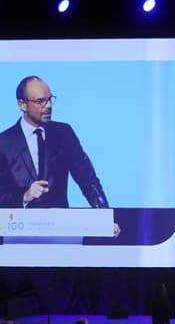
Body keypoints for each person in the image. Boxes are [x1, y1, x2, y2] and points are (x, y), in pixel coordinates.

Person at [0, 76, 120, 237]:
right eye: (40, 101)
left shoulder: (64, 134)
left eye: (50, 99)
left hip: (61, 230)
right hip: (18, 233)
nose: (48, 106)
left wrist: (103, 218)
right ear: (22, 104)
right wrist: (24, 196)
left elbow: (87, 179)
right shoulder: (4, 143)